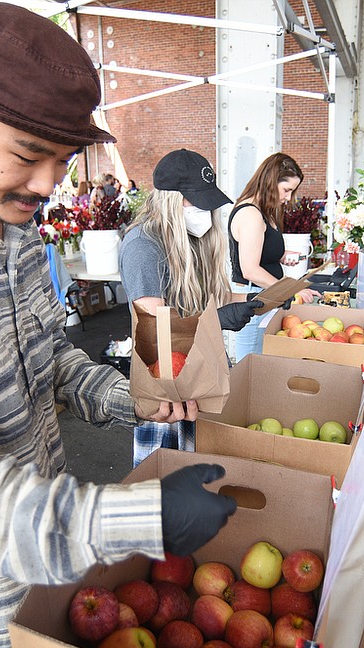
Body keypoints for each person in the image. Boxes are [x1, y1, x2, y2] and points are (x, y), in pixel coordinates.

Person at [0, 4, 236, 648]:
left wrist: (132, 397)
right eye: (29, 155)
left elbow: (50, 358)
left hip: (56, 561)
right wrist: (140, 518)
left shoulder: (14, 226)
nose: (46, 185)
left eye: (61, 163)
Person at [119, 149, 262, 465]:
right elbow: (155, 337)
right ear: (169, 200)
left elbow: (211, 299)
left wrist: (257, 300)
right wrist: (217, 321)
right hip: (167, 396)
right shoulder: (145, 246)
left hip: (198, 379)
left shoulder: (191, 239)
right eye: (195, 201)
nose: (205, 211)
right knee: (169, 491)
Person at [229, 153, 318, 361]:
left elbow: (259, 251)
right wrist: (289, 290)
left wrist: (281, 255)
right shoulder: (250, 214)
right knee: (250, 365)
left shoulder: (263, 211)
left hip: (263, 295)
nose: (288, 198)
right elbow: (250, 269)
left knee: (260, 363)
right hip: (253, 298)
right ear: (271, 180)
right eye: (287, 190)